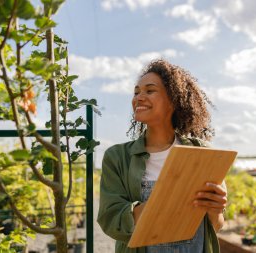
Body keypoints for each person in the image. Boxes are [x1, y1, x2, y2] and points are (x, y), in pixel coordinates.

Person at [97, 59, 227, 253]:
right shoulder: (118, 157)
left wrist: (216, 210)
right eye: (136, 92)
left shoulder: (203, 154)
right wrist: (165, 202)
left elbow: (215, 226)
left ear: (173, 100)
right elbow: (110, 219)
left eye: (149, 91)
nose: (139, 97)